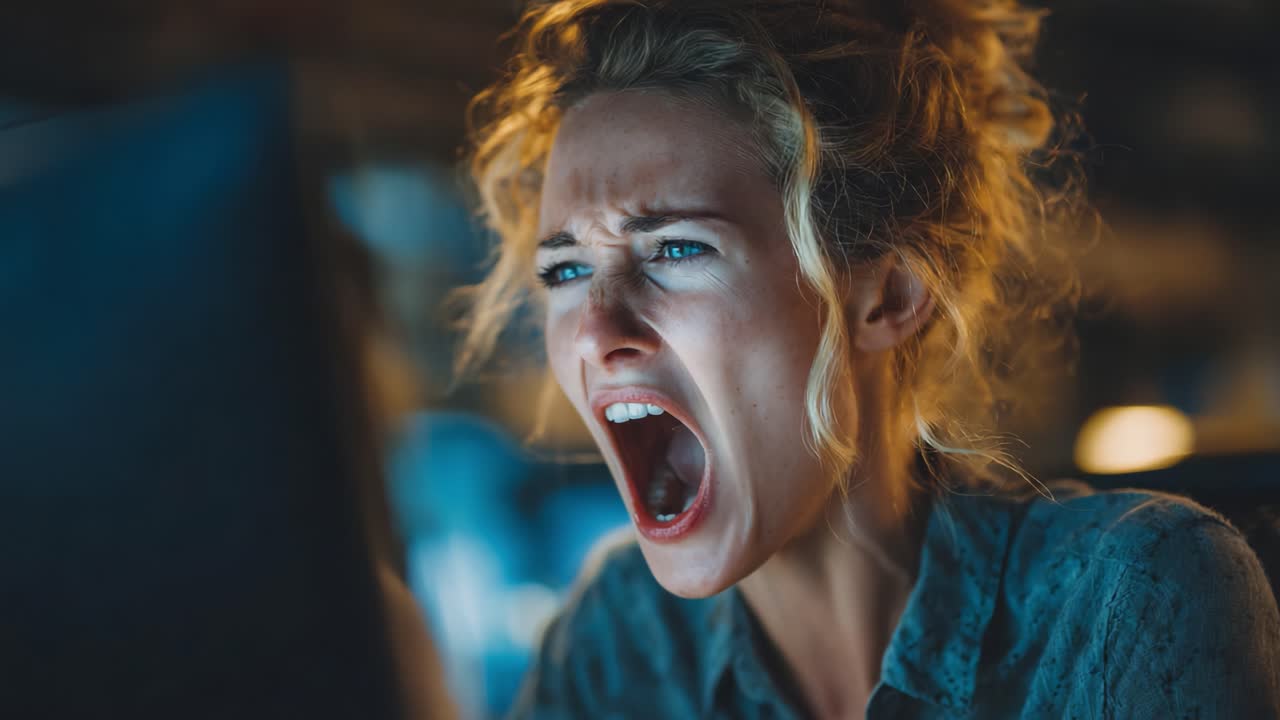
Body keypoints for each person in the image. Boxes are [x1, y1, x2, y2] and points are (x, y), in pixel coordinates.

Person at [457, 1, 1280, 717]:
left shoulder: (1130, 601)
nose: (596, 333)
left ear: (888, 294)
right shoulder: (614, 645)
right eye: (566, 270)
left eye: (676, 249)